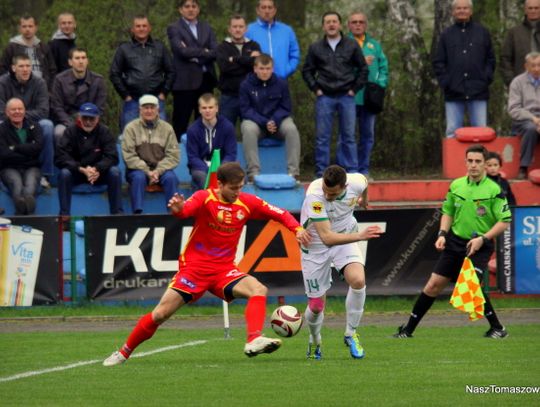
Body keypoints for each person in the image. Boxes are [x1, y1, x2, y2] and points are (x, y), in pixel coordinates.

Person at [103, 161, 311, 366]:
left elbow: (280, 213)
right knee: (160, 314)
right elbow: (185, 211)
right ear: (219, 184)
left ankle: (253, 339)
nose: (237, 192)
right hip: (194, 270)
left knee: (258, 289)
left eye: (240, 187)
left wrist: (297, 230)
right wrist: (178, 209)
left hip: (224, 271)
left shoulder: (247, 202)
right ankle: (123, 352)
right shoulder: (205, 198)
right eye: (233, 188)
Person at [394, 144, 512, 339]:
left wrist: (483, 239)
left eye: (478, 161)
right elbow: (448, 211)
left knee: (471, 285)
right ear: (465, 162)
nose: (473, 165)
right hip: (455, 243)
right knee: (433, 285)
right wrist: (442, 234)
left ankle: (498, 328)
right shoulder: (456, 185)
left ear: (484, 164)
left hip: (480, 245)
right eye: (470, 161)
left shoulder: (494, 190)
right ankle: (407, 331)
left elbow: (504, 221)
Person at [300, 165, 382, 360]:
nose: (328, 196)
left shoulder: (355, 182)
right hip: (316, 245)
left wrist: (364, 202)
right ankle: (315, 340)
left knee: (358, 280)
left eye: (333, 193)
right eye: (326, 192)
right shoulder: (315, 196)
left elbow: (364, 182)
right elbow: (327, 237)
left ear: (344, 186)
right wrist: (360, 236)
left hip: (345, 234)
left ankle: (351, 333)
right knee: (317, 306)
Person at [302, 11, 368, 178]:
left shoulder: (351, 45)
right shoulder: (315, 47)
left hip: (347, 96)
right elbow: (307, 71)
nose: (331, 25)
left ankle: (352, 173)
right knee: (322, 138)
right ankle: (321, 174)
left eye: (334, 21)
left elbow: (363, 69)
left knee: (349, 137)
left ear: (340, 25)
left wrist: (354, 89)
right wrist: (316, 88)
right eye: (328, 22)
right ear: (323, 26)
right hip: (325, 97)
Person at [432, 0, 495, 138]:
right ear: (453, 12)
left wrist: (486, 78)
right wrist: (446, 82)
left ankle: (479, 160)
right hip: (453, 91)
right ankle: (454, 161)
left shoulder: (482, 32)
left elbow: (490, 59)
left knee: (481, 132)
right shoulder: (446, 35)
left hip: (478, 91)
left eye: (465, 8)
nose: (462, 11)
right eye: (458, 8)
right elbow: (438, 62)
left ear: (471, 11)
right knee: (452, 132)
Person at [239, 54, 301, 182]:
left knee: (291, 128)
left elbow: (286, 107)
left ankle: (293, 173)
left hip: (278, 124)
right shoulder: (246, 85)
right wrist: (265, 122)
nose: (265, 72)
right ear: (255, 69)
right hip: (258, 124)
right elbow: (245, 110)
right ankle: (253, 173)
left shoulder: (281, 83)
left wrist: (273, 121)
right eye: (261, 68)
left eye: (268, 68)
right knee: (247, 128)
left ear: (272, 69)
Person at [55, 103, 123, 216]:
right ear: (79, 118)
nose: (88, 122)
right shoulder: (70, 131)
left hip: (98, 174)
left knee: (115, 172)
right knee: (64, 174)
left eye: (91, 118)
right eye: (85, 118)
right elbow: (60, 157)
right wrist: (80, 169)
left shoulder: (104, 131)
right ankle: (64, 216)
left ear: (97, 119)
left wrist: (97, 169)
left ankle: (117, 215)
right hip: (77, 172)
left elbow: (112, 157)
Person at [110, 15, 175, 131]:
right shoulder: (124, 48)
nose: (141, 28)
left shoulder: (160, 47)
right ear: (132, 29)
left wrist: (164, 92)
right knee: (129, 137)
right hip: (133, 101)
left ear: (149, 28)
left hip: (156, 100)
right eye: (138, 26)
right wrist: (125, 95)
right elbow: (114, 73)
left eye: (144, 26)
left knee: (161, 136)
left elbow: (171, 71)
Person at [0, 54, 54, 188]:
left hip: (32, 123)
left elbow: (43, 111)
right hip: (7, 121)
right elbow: (0, 110)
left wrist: (21, 117)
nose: (25, 69)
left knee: (47, 125)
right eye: (21, 66)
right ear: (13, 68)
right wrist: (14, 117)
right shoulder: (2, 82)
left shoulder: (40, 82)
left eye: (28, 66)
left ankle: (45, 175)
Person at [167, 0, 217, 139]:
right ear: (180, 9)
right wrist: (204, 51)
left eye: (194, 6)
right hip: (184, 83)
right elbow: (181, 52)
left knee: (206, 123)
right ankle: (177, 158)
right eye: (187, 6)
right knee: (180, 124)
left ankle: (205, 157)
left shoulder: (206, 27)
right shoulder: (174, 28)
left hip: (205, 81)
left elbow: (215, 52)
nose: (191, 9)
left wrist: (194, 54)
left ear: (198, 9)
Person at [122, 94, 179, 214]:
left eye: (152, 107)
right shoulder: (130, 128)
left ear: (158, 109)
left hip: (161, 170)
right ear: (140, 109)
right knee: (138, 178)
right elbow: (129, 156)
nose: (149, 111)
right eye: (145, 107)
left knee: (171, 178)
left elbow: (173, 156)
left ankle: (173, 214)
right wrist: (147, 171)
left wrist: (158, 171)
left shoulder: (167, 129)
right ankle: (137, 214)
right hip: (137, 170)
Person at [347, 11, 389, 176]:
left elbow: (384, 67)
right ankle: (350, 170)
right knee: (348, 136)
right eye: (354, 22)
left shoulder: (374, 45)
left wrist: (380, 84)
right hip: (350, 96)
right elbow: (340, 67)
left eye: (361, 22)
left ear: (366, 24)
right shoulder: (345, 43)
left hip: (370, 97)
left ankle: (363, 170)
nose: (358, 25)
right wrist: (360, 62)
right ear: (349, 25)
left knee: (367, 135)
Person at [51, 47, 107, 140]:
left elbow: (100, 108)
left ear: (87, 61)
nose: (81, 61)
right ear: (70, 62)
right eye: (77, 58)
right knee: (59, 133)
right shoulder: (60, 80)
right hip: (67, 121)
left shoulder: (98, 80)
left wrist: (88, 123)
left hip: (91, 120)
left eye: (83, 58)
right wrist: (72, 124)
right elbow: (57, 107)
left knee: (105, 133)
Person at [216, 15, 261, 126]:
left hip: (250, 97)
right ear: (229, 29)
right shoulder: (222, 47)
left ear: (245, 29)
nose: (237, 29)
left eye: (241, 26)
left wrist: (235, 59)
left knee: (251, 131)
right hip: (228, 97)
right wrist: (248, 62)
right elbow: (225, 68)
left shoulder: (254, 45)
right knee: (224, 132)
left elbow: (257, 66)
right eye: (234, 26)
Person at [0, 98, 42, 215]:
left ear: (25, 111)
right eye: (13, 109)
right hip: (9, 167)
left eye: (20, 109)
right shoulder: (1, 129)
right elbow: (4, 154)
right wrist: (28, 154)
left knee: (30, 187)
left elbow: (38, 148)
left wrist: (15, 148)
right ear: (7, 112)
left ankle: (20, 215)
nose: (17, 112)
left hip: (32, 167)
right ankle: (27, 215)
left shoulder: (35, 126)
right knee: (16, 185)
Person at [186, 93, 237, 189]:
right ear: (199, 109)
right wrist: (209, 170)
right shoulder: (193, 130)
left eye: (210, 107)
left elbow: (231, 154)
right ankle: (211, 202)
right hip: (201, 169)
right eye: (204, 108)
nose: (207, 111)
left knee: (234, 177)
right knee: (203, 177)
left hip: (222, 166)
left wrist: (219, 168)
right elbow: (193, 157)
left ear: (217, 108)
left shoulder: (227, 127)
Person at [246, 0, 300, 79]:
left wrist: (287, 70)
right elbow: (244, 56)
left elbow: (294, 54)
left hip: (280, 80)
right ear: (257, 10)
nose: (267, 11)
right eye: (263, 7)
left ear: (274, 10)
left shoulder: (287, 31)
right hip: (256, 82)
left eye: (270, 7)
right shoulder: (248, 30)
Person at [0, 14, 56, 89]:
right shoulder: (12, 47)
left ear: (36, 28)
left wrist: (49, 89)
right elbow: (3, 70)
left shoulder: (43, 47)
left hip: (41, 89)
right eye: (24, 26)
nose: (27, 29)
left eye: (30, 26)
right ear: (19, 28)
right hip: (18, 89)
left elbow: (52, 70)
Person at [508, 51, 540, 180]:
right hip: (524, 119)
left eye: (539, 65)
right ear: (526, 66)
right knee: (531, 128)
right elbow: (514, 109)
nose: (536, 69)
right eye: (533, 65)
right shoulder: (517, 82)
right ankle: (523, 167)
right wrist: (534, 119)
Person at [501, 0, 540, 87]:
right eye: (530, 8)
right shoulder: (514, 33)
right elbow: (505, 59)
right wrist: (512, 82)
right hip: (522, 85)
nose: (533, 11)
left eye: (536, 8)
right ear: (525, 10)